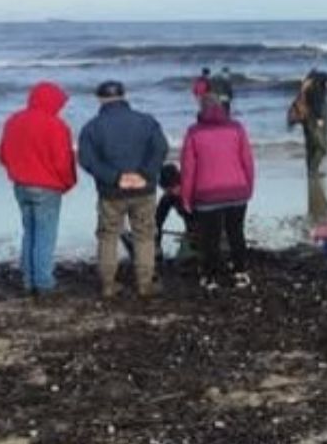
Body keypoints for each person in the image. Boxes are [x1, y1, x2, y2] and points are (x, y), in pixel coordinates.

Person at [78, 81, 169, 299]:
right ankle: (144, 283)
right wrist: (144, 174)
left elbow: (87, 160)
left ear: (99, 99)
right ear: (124, 96)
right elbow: (160, 149)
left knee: (108, 236)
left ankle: (108, 285)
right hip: (143, 190)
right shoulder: (147, 122)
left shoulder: (92, 127)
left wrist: (116, 178)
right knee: (144, 235)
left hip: (111, 192)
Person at [0, 82, 78, 294]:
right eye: (59, 104)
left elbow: (3, 154)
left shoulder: (13, 121)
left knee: (30, 232)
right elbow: (63, 162)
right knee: (45, 234)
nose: (61, 108)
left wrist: (16, 172)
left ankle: (28, 279)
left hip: (21, 185)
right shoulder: (57, 126)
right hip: (47, 187)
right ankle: (43, 283)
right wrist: (68, 183)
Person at [180, 99, 255, 290]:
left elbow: (188, 168)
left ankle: (210, 276)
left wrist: (186, 197)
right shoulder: (237, 128)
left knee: (209, 238)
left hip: (206, 194)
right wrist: (248, 187)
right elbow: (247, 161)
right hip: (236, 190)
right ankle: (240, 273)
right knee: (236, 233)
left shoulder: (194, 132)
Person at [288, 69, 327, 176]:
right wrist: (320, 118)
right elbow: (317, 104)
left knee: (310, 146)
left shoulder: (305, 88)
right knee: (322, 147)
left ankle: (311, 170)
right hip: (314, 121)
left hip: (306, 120)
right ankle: (313, 170)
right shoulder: (317, 89)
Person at [155, 164, 195, 263]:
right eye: (167, 189)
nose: (171, 191)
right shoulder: (168, 198)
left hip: (210, 229)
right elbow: (157, 221)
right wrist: (156, 244)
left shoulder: (193, 190)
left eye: (173, 187)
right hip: (191, 230)